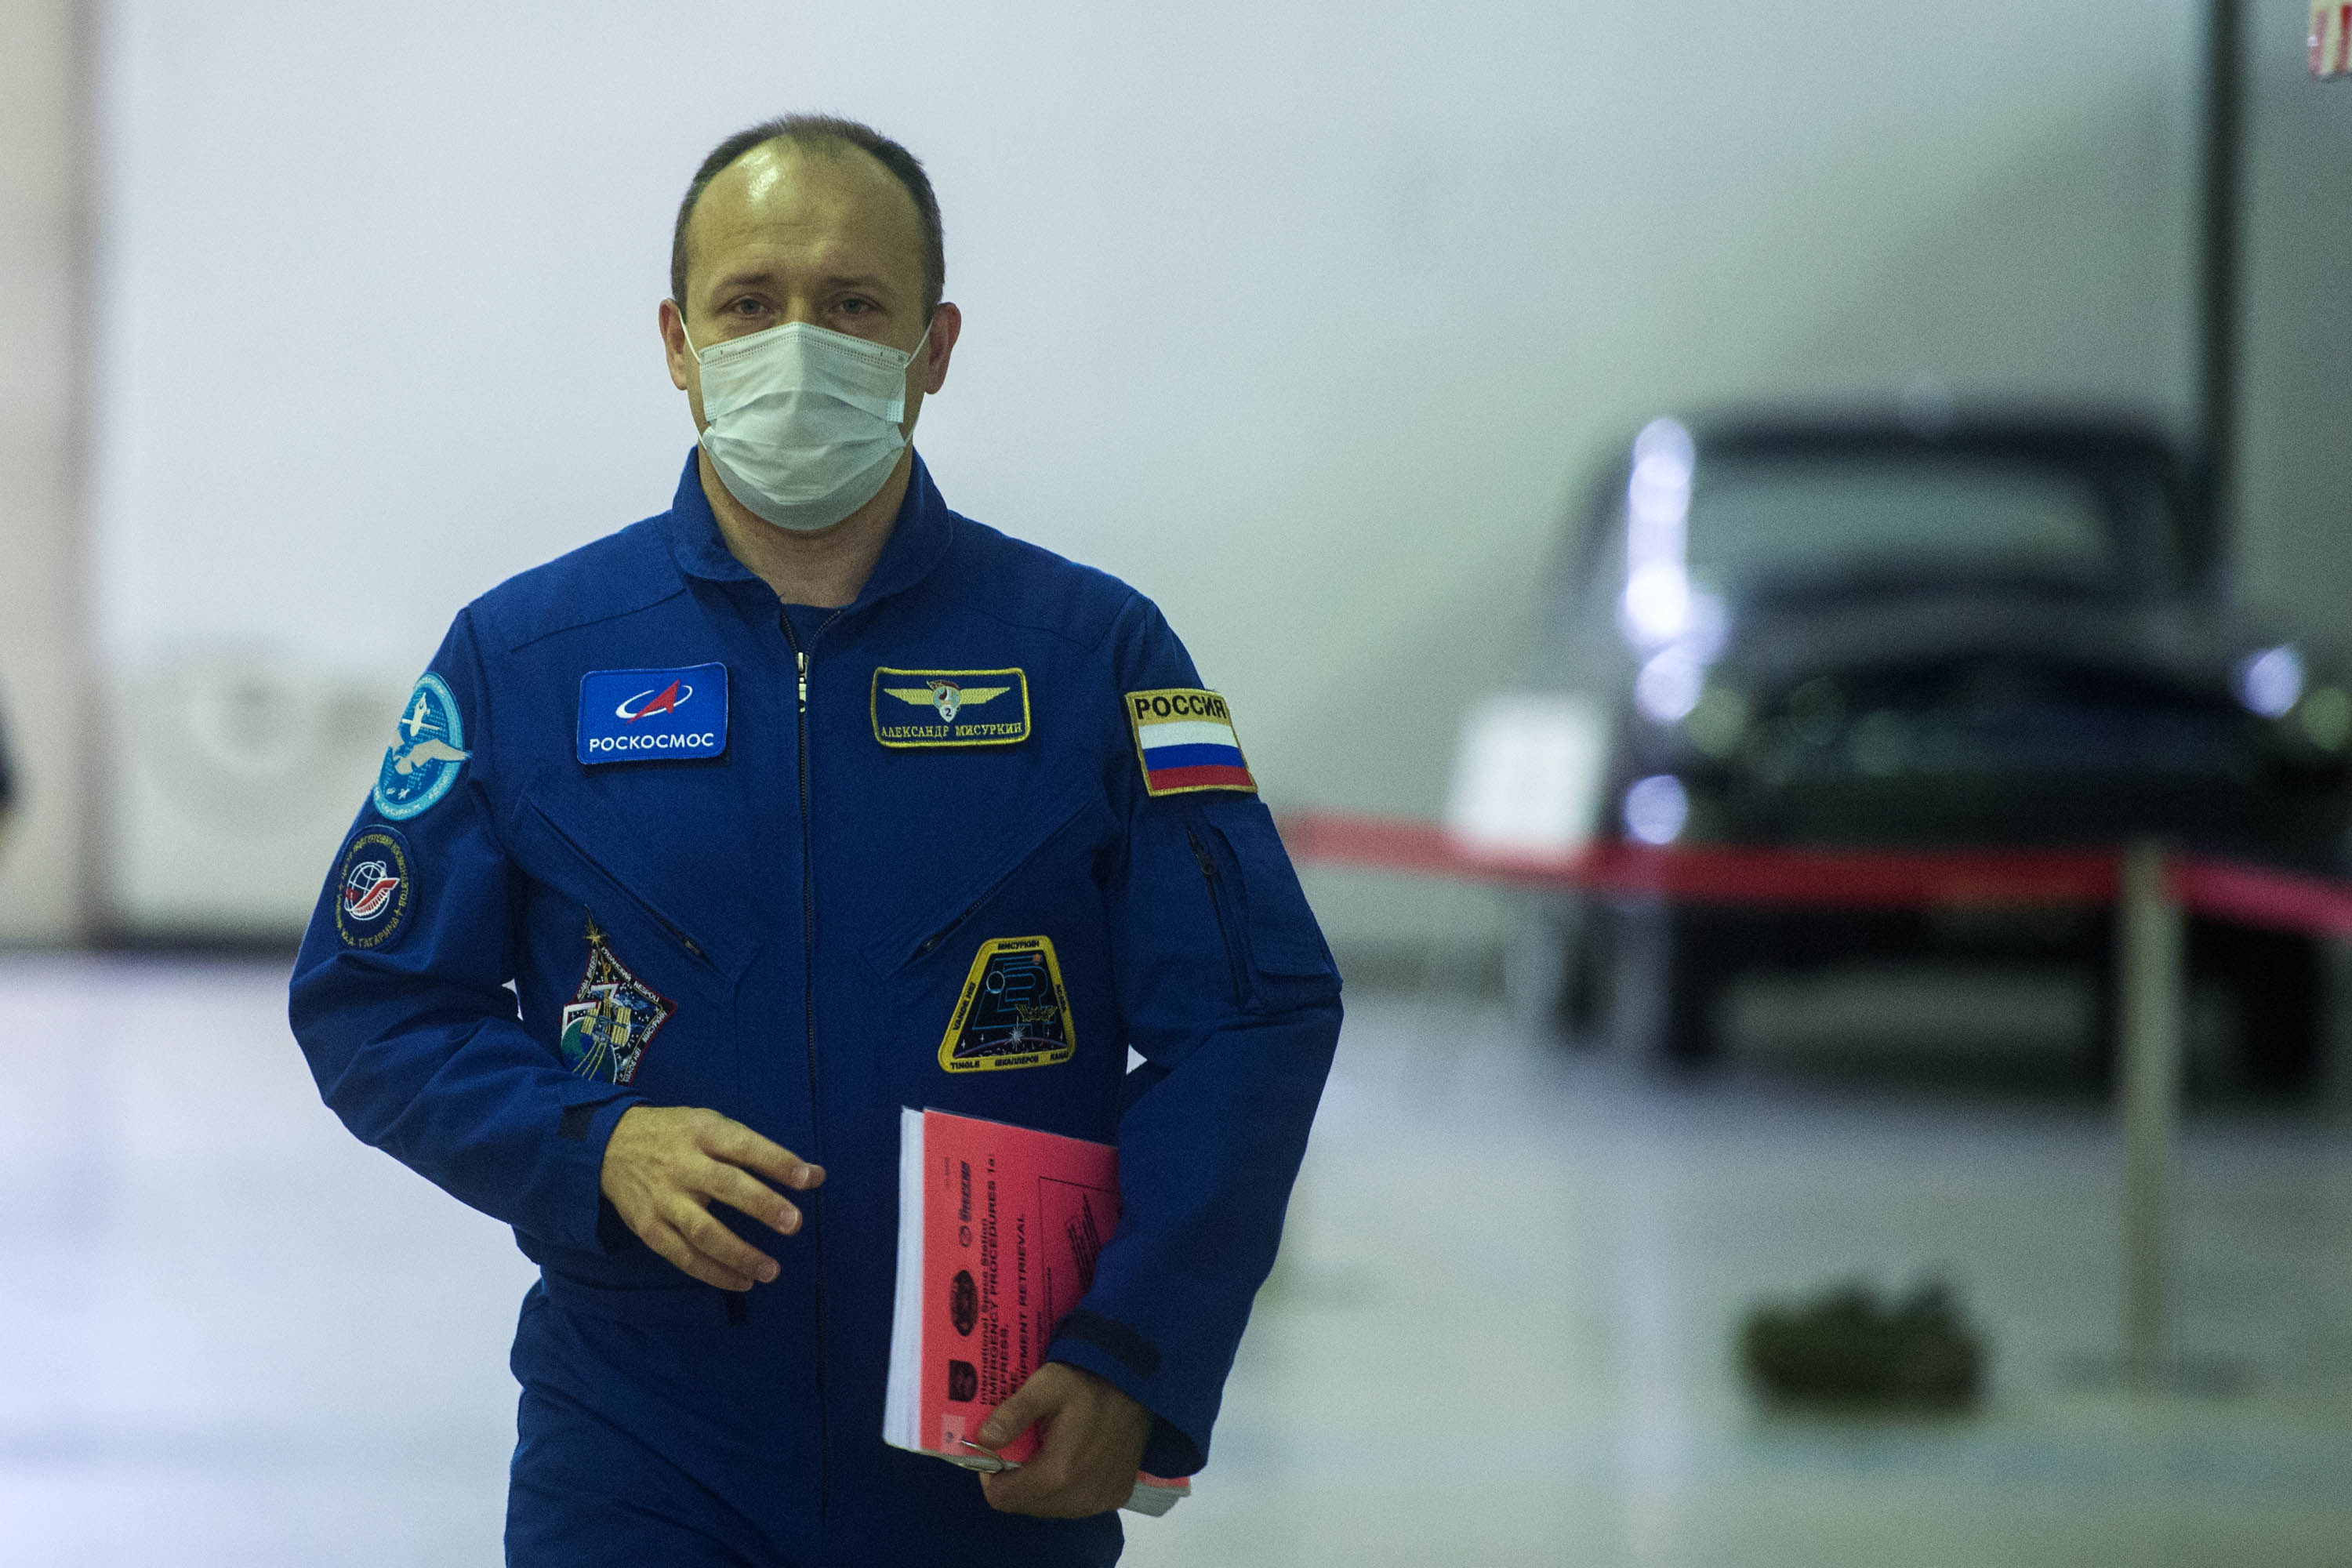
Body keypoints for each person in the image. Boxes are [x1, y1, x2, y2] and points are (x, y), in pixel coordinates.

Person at [288, 114, 1341, 1567]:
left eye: (852, 305)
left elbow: (1251, 1018)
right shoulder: (525, 658)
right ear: (677, 343)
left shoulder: (1092, 653)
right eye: (749, 302)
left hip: (993, 1445)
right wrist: (590, 1145)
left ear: (934, 346)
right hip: (642, 1446)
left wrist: (1136, 1349)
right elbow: (374, 1000)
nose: (798, 345)